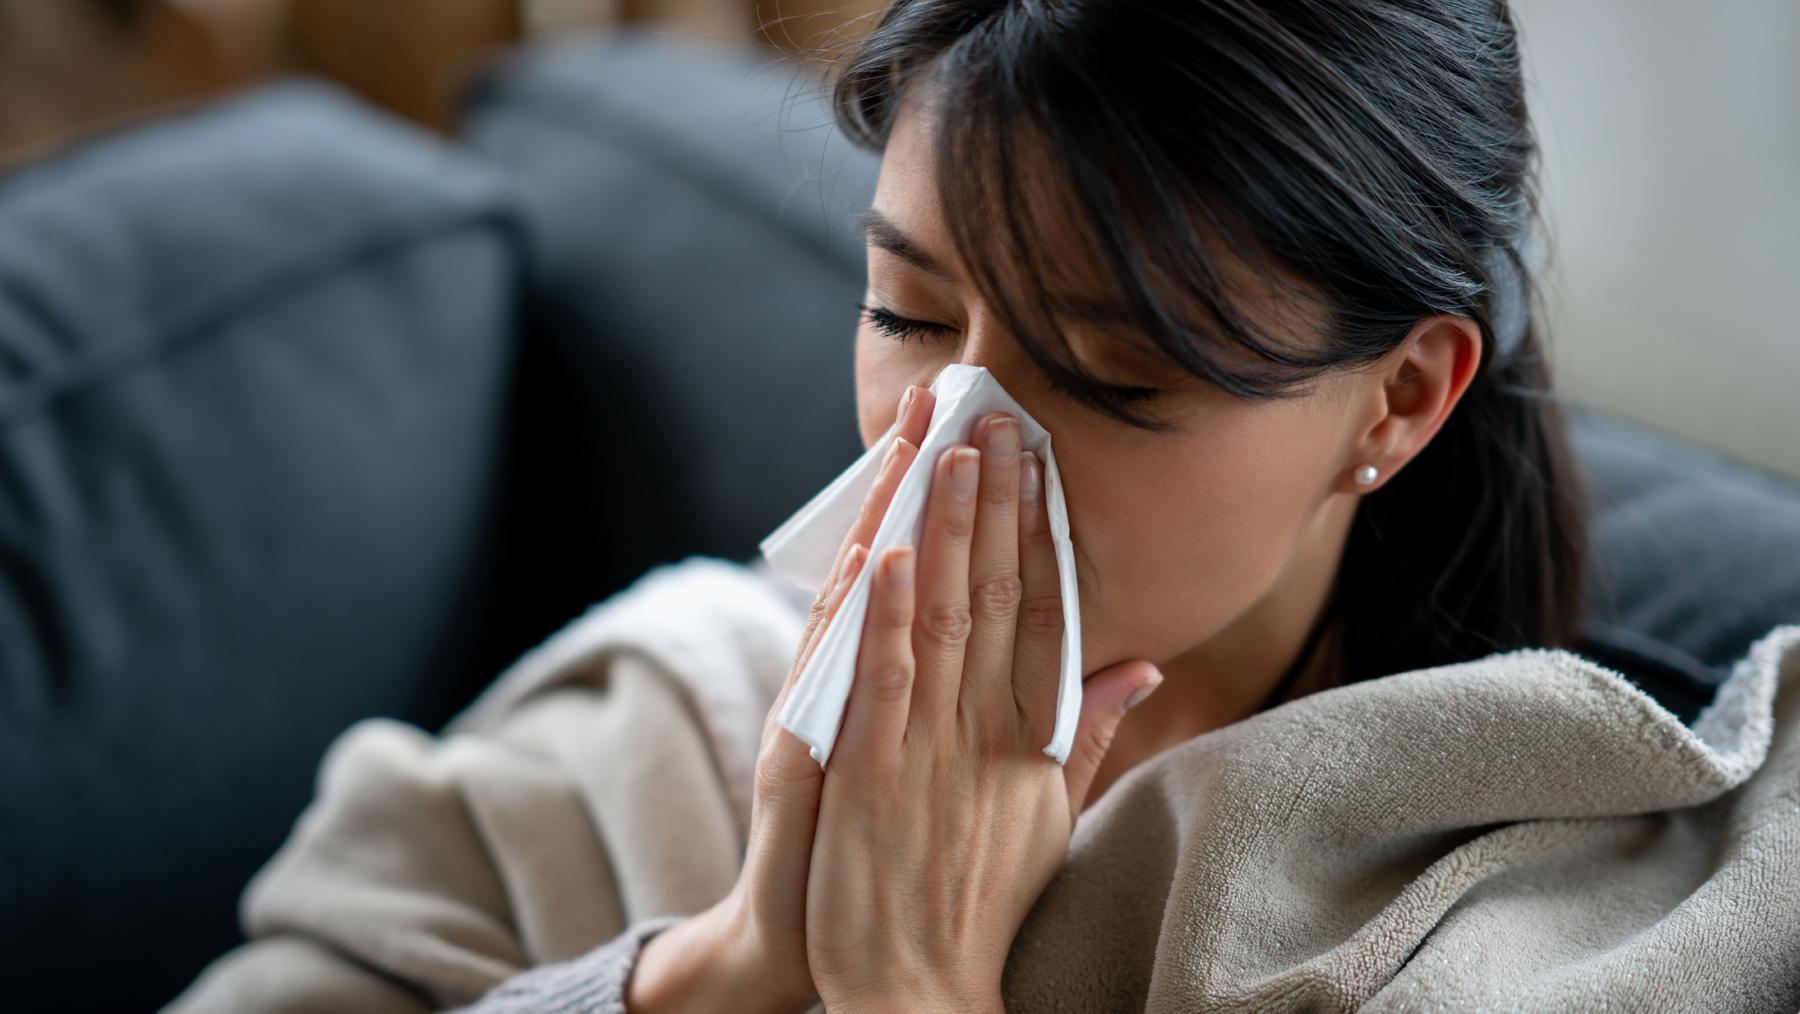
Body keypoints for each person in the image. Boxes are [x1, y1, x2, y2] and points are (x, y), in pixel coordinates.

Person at [175, 0, 1601, 1010]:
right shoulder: (685, 700)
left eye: (1109, 375)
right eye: (910, 315)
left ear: (1401, 398)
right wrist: (726, 965)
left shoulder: (1511, 912)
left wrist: (909, 988)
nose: (945, 440)